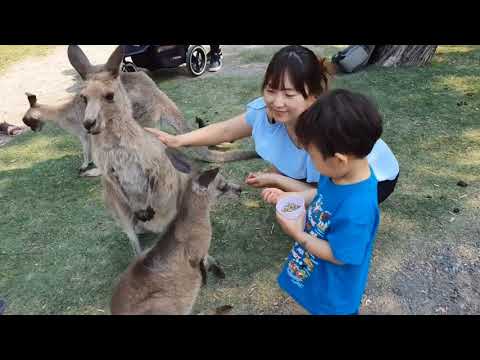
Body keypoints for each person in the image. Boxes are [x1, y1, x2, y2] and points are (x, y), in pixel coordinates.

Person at [146, 45, 399, 203]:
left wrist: (278, 182)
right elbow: (224, 130)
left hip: (373, 180)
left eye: (289, 95)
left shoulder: (326, 130)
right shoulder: (265, 112)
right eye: (271, 89)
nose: (277, 102)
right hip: (329, 175)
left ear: (313, 96)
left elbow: (326, 193)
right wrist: (179, 140)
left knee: (320, 213)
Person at [262, 89, 382, 315]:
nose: (311, 162)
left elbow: (340, 256)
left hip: (333, 296)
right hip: (313, 276)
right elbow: (321, 196)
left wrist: (298, 234)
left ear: (338, 159)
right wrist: (293, 197)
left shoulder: (358, 208)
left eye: (313, 156)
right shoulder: (338, 173)